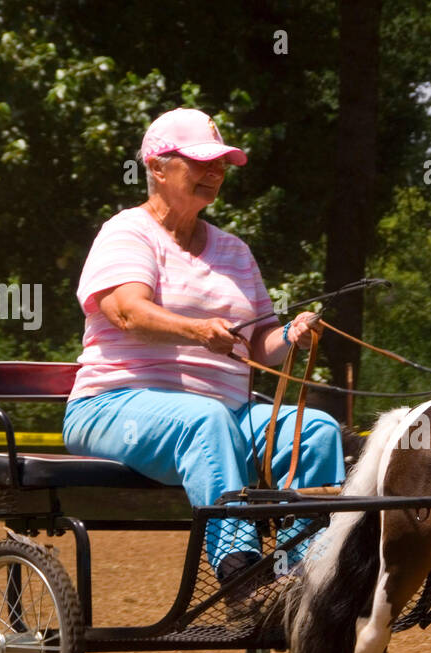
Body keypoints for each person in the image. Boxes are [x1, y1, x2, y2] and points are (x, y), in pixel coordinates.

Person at [61, 107, 343, 583]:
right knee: (205, 420)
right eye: (201, 161)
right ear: (156, 166)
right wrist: (196, 331)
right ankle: (241, 573)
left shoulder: (234, 251)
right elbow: (127, 310)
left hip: (222, 413)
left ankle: (307, 577)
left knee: (315, 430)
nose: (216, 172)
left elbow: (257, 343)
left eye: (222, 164)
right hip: (111, 405)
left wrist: (290, 335)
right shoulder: (127, 232)